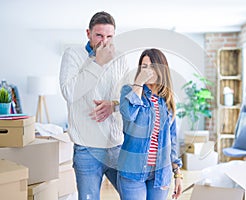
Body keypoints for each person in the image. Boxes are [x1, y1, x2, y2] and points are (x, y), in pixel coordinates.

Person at [59, 11, 128, 200]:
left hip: (116, 145)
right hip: (86, 149)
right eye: (99, 35)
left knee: (133, 195)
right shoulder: (73, 55)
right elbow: (70, 93)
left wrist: (113, 105)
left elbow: (127, 97)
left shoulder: (120, 58)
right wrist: (97, 63)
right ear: (88, 33)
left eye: (109, 36)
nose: (104, 41)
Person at [117, 48, 183, 200]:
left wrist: (177, 174)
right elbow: (129, 114)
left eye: (152, 67)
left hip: (161, 173)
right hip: (133, 171)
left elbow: (172, 141)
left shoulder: (168, 99)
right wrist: (139, 83)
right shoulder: (129, 90)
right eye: (144, 67)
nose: (148, 71)